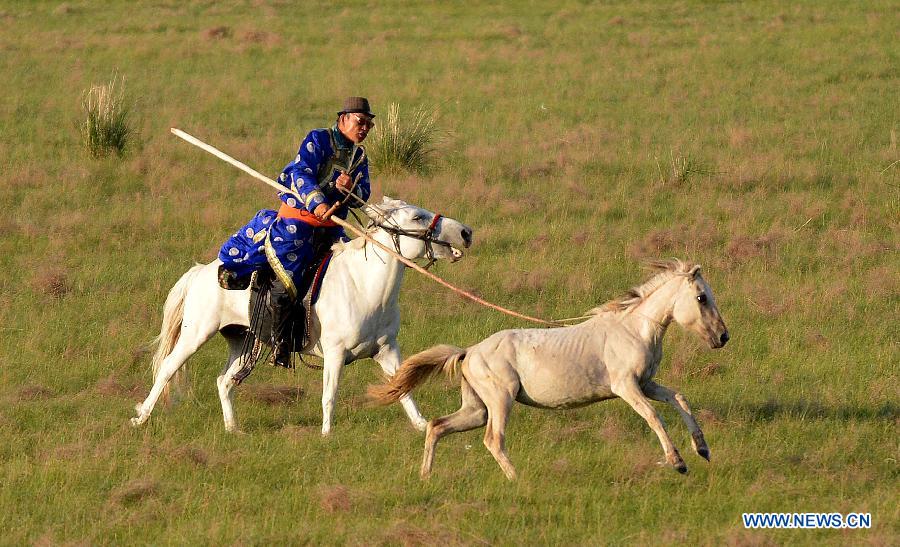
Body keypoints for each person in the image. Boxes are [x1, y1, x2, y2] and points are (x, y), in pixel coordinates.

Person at [217, 97, 375, 366]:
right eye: (360, 122)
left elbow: (363, 195)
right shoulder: (318, 139)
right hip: (298, 224)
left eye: (369, 125)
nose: (364, 128)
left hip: (332, 229)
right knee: (288, 277)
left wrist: (350, 188)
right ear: (343, 119)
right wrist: (318, 202)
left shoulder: (359, 157)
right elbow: (301, 173)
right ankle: (281, 342)